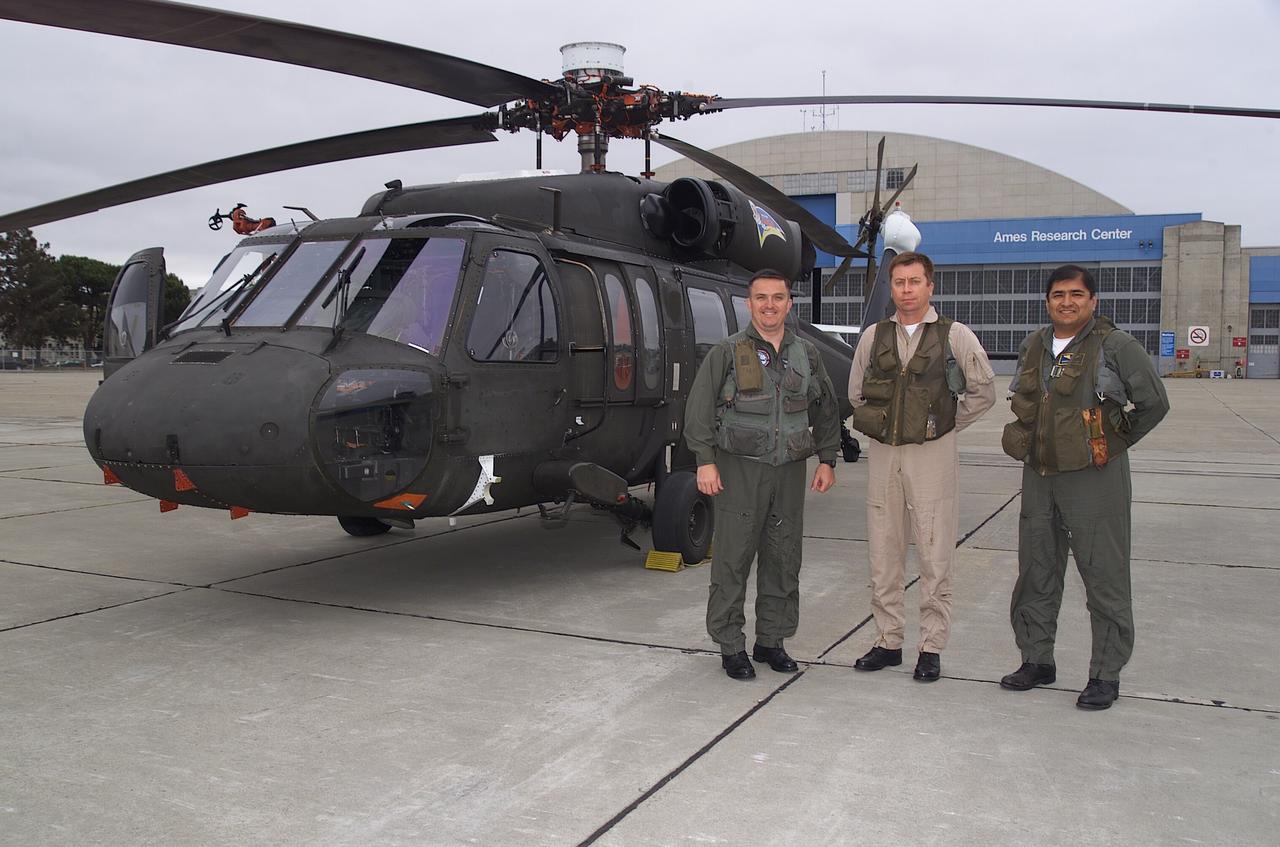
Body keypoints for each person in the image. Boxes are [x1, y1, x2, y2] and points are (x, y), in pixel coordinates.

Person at [998, 264, 1169, 710]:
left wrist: (1113, 443)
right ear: (1047, 301)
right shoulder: (1034, 345)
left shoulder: (1116, 346)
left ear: (1093, 301)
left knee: (1104, 575)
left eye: (1076, 294)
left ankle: (1105, 674)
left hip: (1094, 480)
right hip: (1040, 476)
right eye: (1059, 294)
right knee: (1036, 570)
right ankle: (1037, 659)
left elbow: (1154, 403)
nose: (1067, 302)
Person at [684, 269, 841, 680]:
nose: (769, 305)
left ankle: (772, 640)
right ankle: (730, 645)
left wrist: (827, 458)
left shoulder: (807, 354)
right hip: (739, 471)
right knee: (733, 559)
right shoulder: (727, 352)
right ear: (749, 304)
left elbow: (826, 407)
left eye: (777, 297)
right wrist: (704, 460)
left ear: (789, 304)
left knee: (783, 557)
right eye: (761, 298)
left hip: (788, 471)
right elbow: (698, 409)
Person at [847, 251, 996, 682]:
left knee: (934, 552)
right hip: (884, 454)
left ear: (930, 286)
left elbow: (983, 392)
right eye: (899, 283)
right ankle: (888, 640)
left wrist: (945, 426)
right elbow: (856, 393)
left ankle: (931, 647)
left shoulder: (955, 335)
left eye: (915, 282)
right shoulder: (874, 336)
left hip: (933, 454)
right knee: (884, 551)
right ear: (891, 288)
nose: (907, 290)